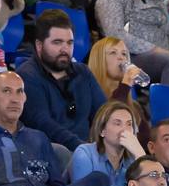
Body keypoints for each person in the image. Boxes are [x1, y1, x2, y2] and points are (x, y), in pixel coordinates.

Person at [15, 10, 106, 160]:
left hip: (87, 151)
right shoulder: (27, 76)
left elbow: (103, 114)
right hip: (51, 154)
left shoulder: (83, 72)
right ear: (39, 45)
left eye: (69, 43)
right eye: (57, 42)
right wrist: (84, 149)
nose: (65, 49)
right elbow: (43, 125)